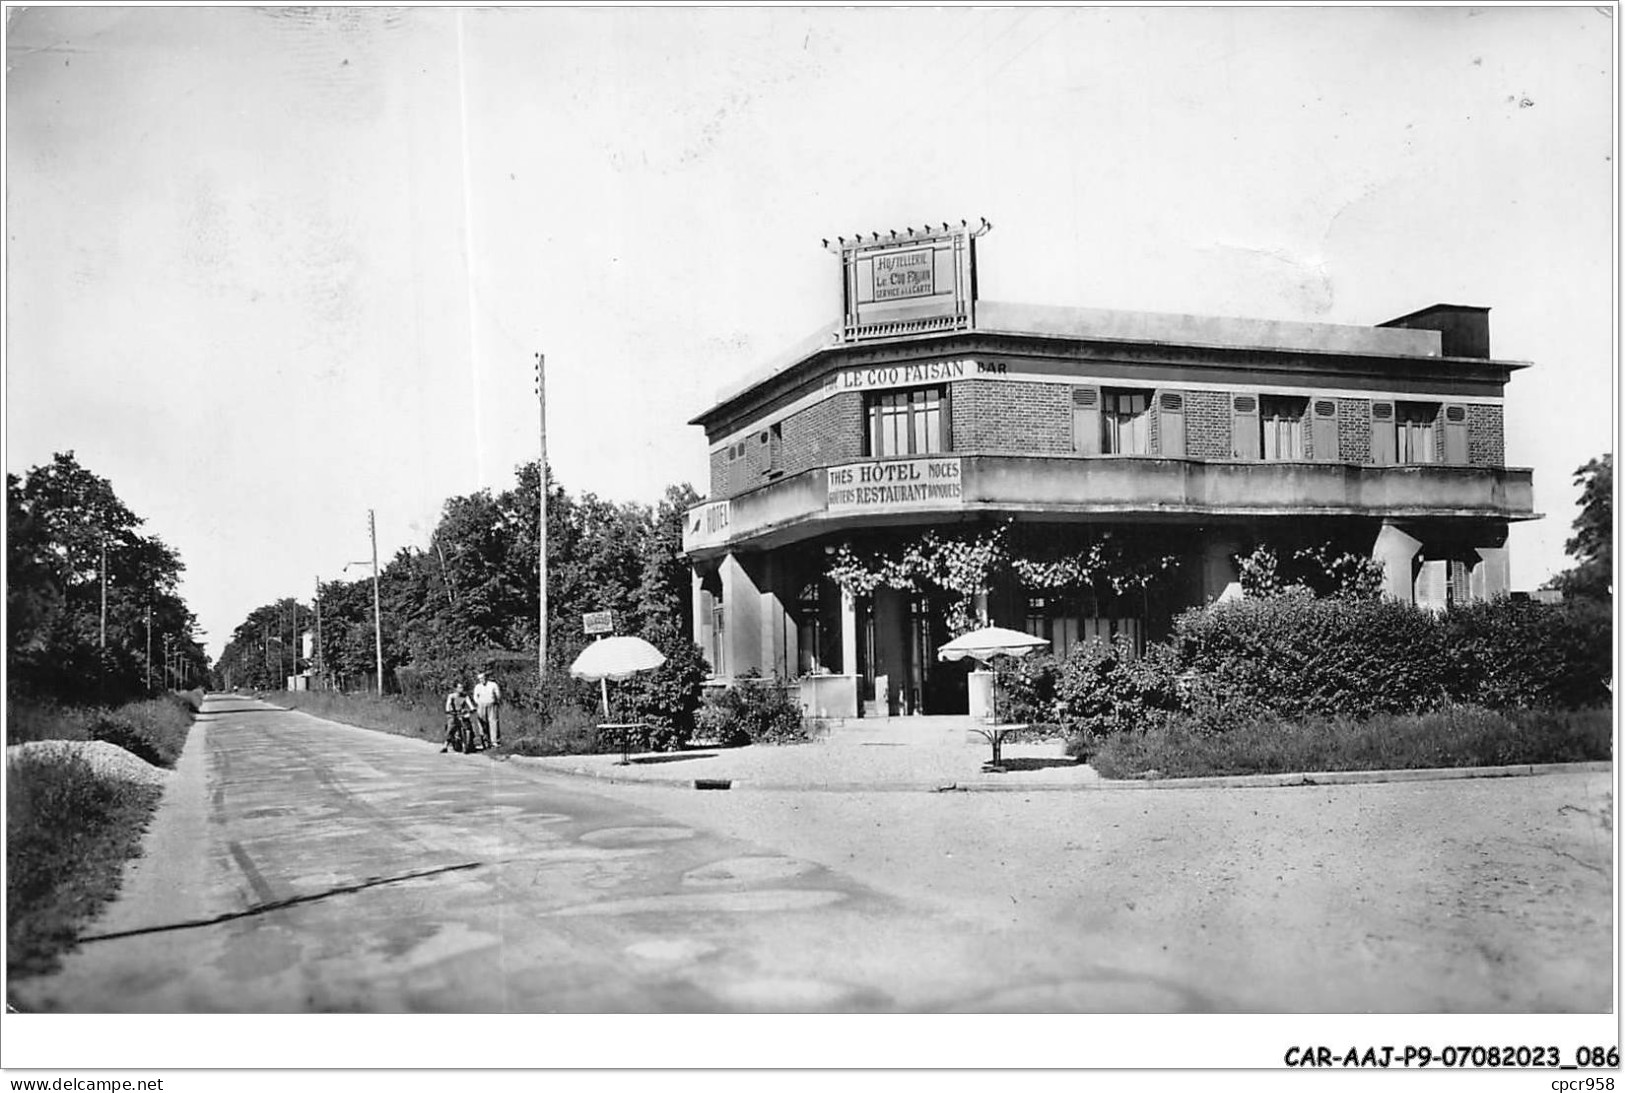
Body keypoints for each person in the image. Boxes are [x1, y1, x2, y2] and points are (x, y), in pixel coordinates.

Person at [472, 671, 502, 749]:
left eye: (483, 678)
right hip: (481, 705)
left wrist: (496, 701)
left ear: (486, 677)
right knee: (482, 722)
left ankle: (494, 741)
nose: (482, 680)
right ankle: (485, 740)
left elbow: (498, 694)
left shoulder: (493, 684)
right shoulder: (478, 686)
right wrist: (478, 702)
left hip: (491, 704)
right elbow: (475, 696)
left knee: (493, 722)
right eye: (480, 679)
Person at [442, 682, 475, 753]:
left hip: (462, 713)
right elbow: (448, 703)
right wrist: (448, 710)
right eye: (460, 687)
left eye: (462, 687)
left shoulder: (465, 696)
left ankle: (469, 743)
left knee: (468, 725)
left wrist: (472, 708)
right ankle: (445, 745)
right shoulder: (451, 696)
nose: (461, 689)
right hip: (453, 713)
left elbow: (469, 703)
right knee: (451, 727)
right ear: (456, 689)